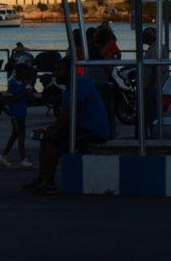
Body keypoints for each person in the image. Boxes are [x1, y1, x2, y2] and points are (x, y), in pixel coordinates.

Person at [26, 57, 110, 194]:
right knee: (46, 138)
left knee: (53, 140)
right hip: (79, 128)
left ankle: (49, 182)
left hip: (93, 130)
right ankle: (43, 178)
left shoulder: (80, 82)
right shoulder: (68, 89)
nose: (55, 73)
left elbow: (73, 109)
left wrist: (54, 128)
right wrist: (51, 128)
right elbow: (66, 115)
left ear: (69, 71)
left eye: (58, 69)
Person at [0, 63, 34, 168]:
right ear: (18, 73)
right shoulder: (12, 83)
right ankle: (23, 158)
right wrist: (23, 93)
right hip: (15, 113)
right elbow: (10, 99)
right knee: (20, 134)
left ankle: (4, 155)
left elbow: (30, 98)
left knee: (16, 134)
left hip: (22, 112)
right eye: (24, 74)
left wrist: (29, 90)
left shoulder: (23, 83)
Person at [142, 26, 168, 138]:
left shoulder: (155, 49)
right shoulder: (158, 47)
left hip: (154, 86)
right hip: (157, 84)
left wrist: (149, 84)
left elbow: (154, 69)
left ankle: (155, 134)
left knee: (152, 112)